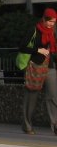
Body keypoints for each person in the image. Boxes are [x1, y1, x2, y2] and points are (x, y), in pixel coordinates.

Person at [19, 7, 57, 135]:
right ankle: (27, 125)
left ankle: (55, 125)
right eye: (49, 21)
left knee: (53, 96)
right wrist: (38, 50)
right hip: (35, 66)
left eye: (54, 22)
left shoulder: (53, 31)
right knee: (31, 96)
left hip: (49, 66)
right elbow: (22, 47)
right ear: (44, 19)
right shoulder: (34, 30)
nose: (51, 24)